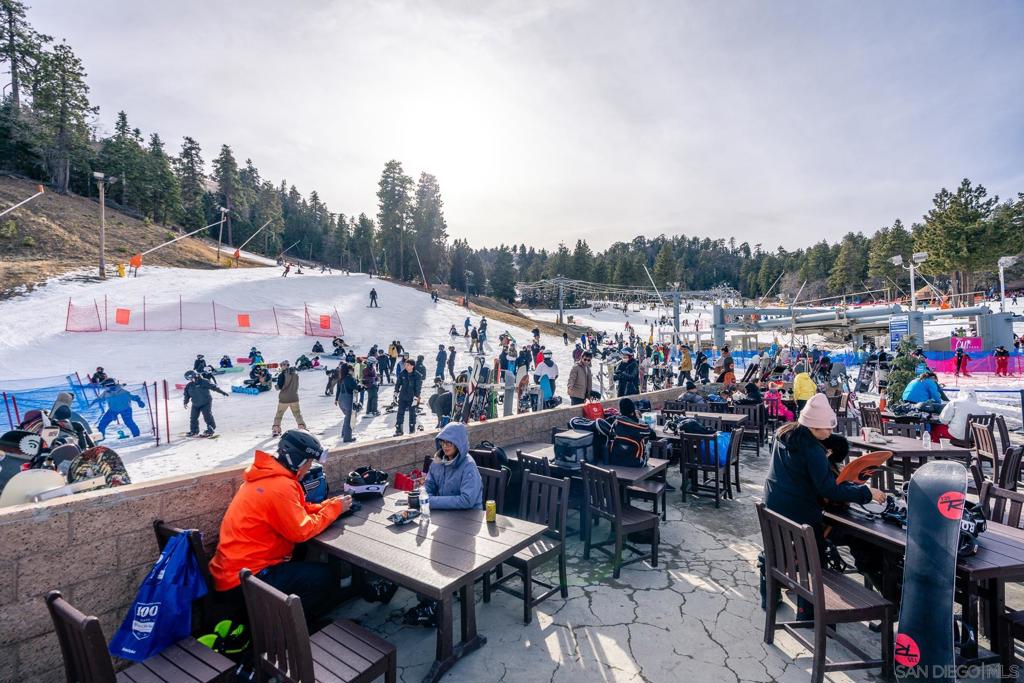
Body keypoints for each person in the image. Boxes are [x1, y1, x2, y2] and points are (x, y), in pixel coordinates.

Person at [208, 431, 352, 622]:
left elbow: (296, 510)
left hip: (230, 573)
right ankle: (289, 632)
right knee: (324, 577)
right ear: (298, 461)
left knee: (301, 553)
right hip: (246, 582)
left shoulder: (264, 477)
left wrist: (332, 505)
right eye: (309, 462)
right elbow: (301, 531)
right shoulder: (281, 486)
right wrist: (334, 509)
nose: (309, 468)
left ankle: (288, 618)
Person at [763, 394, 885, 614]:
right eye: (826, 429)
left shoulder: (784, 434)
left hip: (775, 505)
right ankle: (810, 610)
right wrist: (866, 493)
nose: (829, 433)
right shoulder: (813, 450)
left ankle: (770, 595)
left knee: (779, 549)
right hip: (801, 515)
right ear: (813, 426)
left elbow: (799, 471)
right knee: (817, 552)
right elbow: (829, 489)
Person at [404, 422, 482, 626]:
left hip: (468, 521)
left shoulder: (469, 466)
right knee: (416, 546)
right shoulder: (438, 462)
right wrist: (423, 496)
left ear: (459, 444)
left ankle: (436, 602)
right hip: (445, 517)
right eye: (443, 442)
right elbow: (429, 484)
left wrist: (431, 502)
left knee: (444, 553)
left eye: (450, 443)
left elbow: (467, 500)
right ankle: (428, 597)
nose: (446, 446)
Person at [184, 370, 229, 437]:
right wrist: (185, 402)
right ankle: (194, 431)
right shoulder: (189, 385)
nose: (190, 380)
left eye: (191, 378)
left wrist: (222, 392)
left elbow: (214, 387)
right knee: (193, 418)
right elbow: (186, 394)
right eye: (189, 379)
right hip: (195, 404)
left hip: (205, 402)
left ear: (195, 376)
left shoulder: (204, 381)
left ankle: (210, 430)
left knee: (207, 416)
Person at [272, 360, 305, 436]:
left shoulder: (282, 375)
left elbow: (279, 387)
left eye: (282, 365)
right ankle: (302, 428)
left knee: (279, 414)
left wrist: (276, 386)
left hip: (284, 398)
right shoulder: (295, 374)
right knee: (297, 414)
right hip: (294, 397)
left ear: (284, 366)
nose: (281, 367)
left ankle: (276, 429)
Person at [394, 359, 422, 435]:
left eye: (407, 365)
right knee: (400, 413)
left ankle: (412, 430)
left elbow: (418, 388)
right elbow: (398, 384)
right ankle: (399, 430)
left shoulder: (417, 375)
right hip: (403, 397)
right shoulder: (403, 373)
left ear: (412, 366)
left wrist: (416, 397)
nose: (405, 366)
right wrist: (396, 392)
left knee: (412, 414)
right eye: (405, 364)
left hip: (412, 398)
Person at [334, 363, 359, 443]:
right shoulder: (349, 378)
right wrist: (362, 386)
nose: (353, 372)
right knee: (350, 419)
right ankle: (347, 438)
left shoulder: (341, 378)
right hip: (347, 400)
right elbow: (356, 387)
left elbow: (338, 390)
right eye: (352, 370)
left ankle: (344, 433)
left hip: (341, 400)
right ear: (349, 370)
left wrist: (336, 399)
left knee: (347, 417)